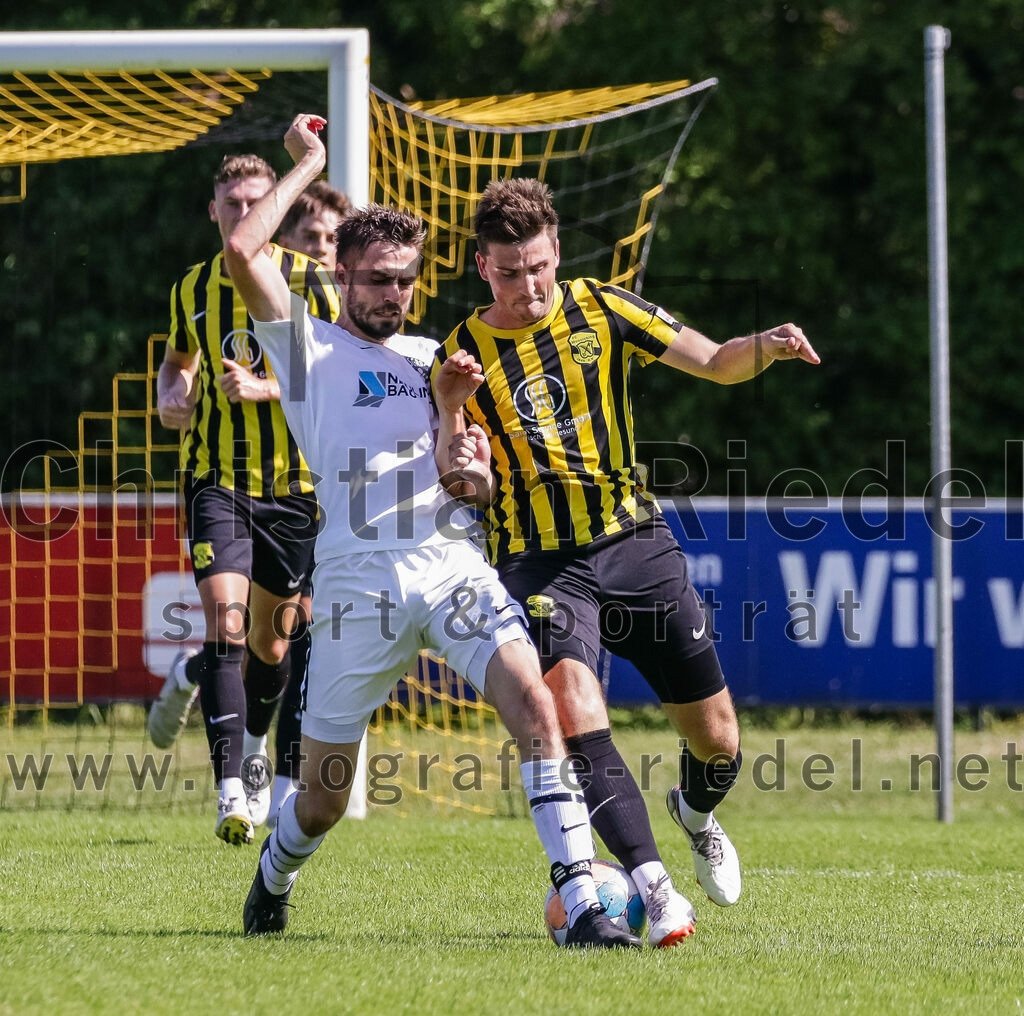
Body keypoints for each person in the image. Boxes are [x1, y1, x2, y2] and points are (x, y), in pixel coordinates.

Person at [223, 112, 640, 949]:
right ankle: (275, 873)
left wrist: (472, 466)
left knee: (536, 705)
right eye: (376, 277)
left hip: (453, 567)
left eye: (405, 278)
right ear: (339, 271)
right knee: (324, 798)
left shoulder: (438, 355)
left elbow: (472, 479)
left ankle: (582, 903)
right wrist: (304, 165)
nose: (392, 293)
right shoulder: (305, 350)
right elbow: (243, 253)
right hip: (356, 587)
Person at [434, 176, 821, 945]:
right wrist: (450, 411)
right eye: (509, 273)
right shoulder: (459, 355)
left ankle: (696, 811)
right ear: (483, 267)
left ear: (556, 253)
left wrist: (766, 348)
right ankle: (657, 887)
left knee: (718, 742)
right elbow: (458, 477)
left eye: (539, 266)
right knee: (576, 718)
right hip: (539, 563)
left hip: (634, 543)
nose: (528, 286)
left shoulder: (604, 308)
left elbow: (713, 360)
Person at [150, 153, 341, 846]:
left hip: (296, 489)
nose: (241, 214)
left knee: (273, 644)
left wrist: (269, 389)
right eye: (230, 203)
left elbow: (342, 376)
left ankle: (256, 747)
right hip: (217, 481)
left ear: (277, 209)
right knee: (226, 626)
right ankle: (233, 789)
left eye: (253, 202)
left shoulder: (316, 283)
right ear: (214, 210)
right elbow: (177, 362)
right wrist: (172, 392)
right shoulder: (192, 289)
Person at [267, 178, 351, 828]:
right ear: (284, 241)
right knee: (271, 639)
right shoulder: (268, 306)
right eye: (311, 237)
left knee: (312, 636)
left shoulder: (353, 307)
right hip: (270, 491)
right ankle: (195, 669)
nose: (321, 250)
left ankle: (292, 780)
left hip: (336, 497)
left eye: (331, 239)